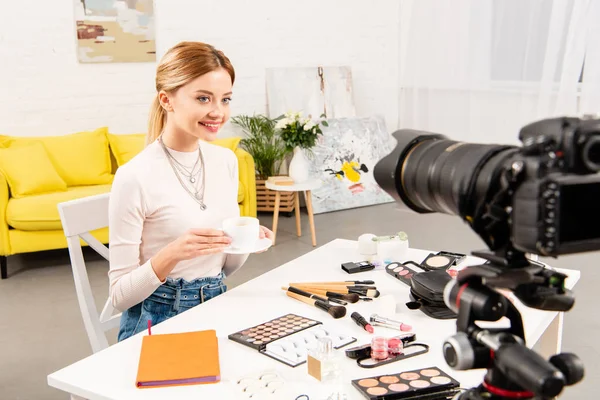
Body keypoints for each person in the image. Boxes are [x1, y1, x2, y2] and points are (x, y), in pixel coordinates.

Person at [108, 41, 274, 342]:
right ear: (166, 100)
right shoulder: (134, 177)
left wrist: (243, 242)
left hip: (216, 302)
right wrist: (171, 254)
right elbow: (120, 297)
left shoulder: (225, 161)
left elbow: (223, 270)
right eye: (203, 98)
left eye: (225, 99)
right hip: (154, 318)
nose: (218, 112)